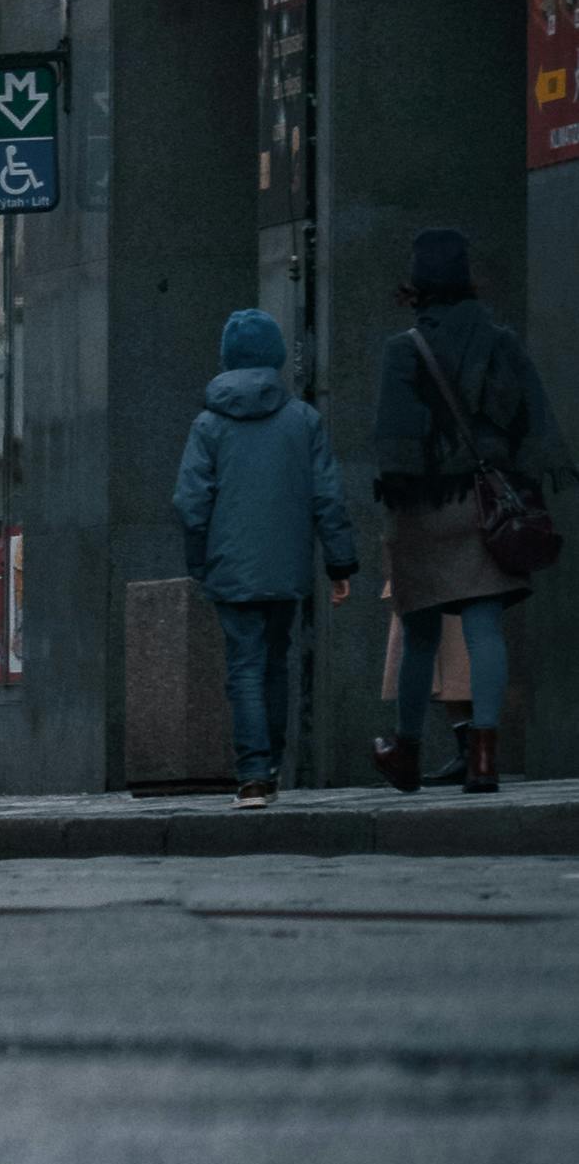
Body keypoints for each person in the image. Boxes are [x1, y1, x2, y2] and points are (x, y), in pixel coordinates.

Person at [369, 223, 570, 796]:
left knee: (420, 633)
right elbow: (533, 418)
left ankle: (406, 751)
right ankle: (483, 759)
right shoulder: (500, 341)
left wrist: (406, 490)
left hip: (426, 508)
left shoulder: (403, 349)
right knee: (484, 630)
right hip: (488, 504)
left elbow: (393, 441)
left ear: (418, 283)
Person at [174, 305, 359, 807]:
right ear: (276, 356)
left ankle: (253, 775)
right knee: (276, 662)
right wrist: (339, 564)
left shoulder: (208, 425)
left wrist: (200, 561)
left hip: (229, 566)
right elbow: (328, 497)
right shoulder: (304, 420)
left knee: (245, 667)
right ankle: (270, 766)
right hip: (286, 566)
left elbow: (190, 503)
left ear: (227, 360)